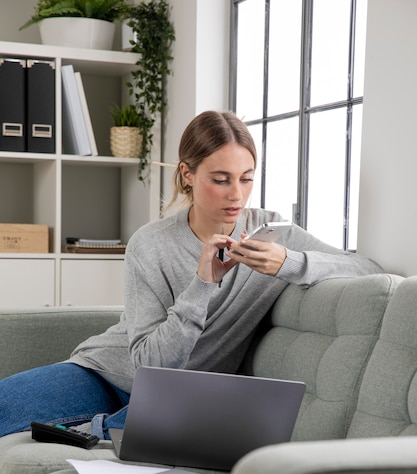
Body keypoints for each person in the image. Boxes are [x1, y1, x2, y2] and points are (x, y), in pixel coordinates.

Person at [0, 110, 382, 439]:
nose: (237, 194)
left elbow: (368, 269)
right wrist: (203, 284)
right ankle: (107, 426)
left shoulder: (274, 236)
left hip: (179, 398)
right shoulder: (150, 243)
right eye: (221, 179)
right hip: (105, 375)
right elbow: (149, 367)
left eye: (246, 178)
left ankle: (105, 429)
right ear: (187, 174)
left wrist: (289, 263)